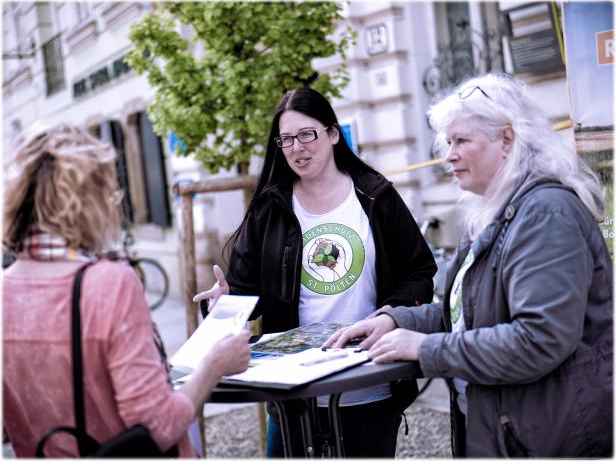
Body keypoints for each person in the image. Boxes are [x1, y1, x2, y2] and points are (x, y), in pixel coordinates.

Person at [324, 73, 613, 457]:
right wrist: (397, 320)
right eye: (447, 142)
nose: (449, 155)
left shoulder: (546, 214)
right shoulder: (493, 211)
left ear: (507, 139)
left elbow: (539, 340)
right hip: (511, 429)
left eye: (461, 141)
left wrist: (426, 348)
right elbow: (470, 317)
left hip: (547, 436)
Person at [193, 87, 437, 457]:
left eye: (307, 134)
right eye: (287, 139)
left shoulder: (376, 197)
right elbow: (244, 294)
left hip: (368, 383)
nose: (297, 148)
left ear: (333, 135)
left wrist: (391, 317)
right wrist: (225, 302)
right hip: (292, 393)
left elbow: (419, 273)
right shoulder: (271, 208)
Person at [2, 123, 251, 457]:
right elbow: (158, 426)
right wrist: (214, 366)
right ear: (87, 200)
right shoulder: (107, 283)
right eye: (109, 188)